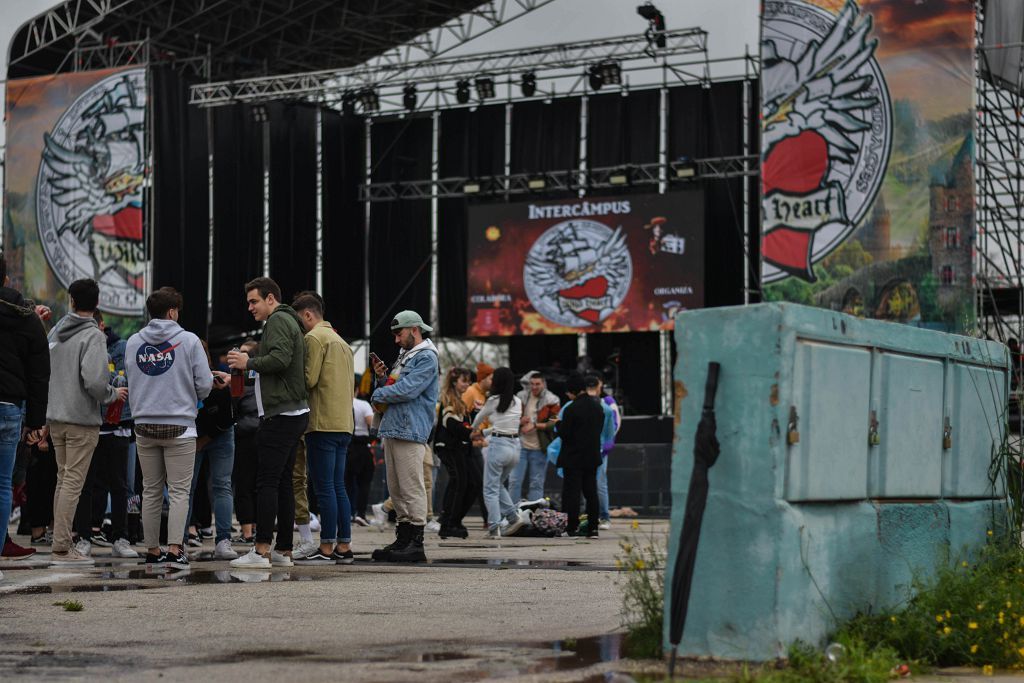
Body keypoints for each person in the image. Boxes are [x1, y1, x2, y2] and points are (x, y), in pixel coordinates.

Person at [125, 287, 213, 569]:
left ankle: (152, 550)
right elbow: (205, 383)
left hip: (144, 425)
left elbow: (132, 377)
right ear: (173, 312)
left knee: (149, 490)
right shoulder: (188, 341)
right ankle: (175, 549)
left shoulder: (133, 342)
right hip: (180, 426)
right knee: (178, 491)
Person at [228, 277, 309, 568]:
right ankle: (283, 550)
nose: (250, 307)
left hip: (282, 415)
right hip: (294, 412)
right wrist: (241, 372)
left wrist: (247, 362)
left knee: (267, 482)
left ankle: (261, 549)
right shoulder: (288, 321)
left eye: (254, 301)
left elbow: (280, 359)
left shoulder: (277, 321)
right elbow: (278, 365)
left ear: (271, 299)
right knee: (283, 482)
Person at [46, 278, 125, 566]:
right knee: (73, 483)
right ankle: (62, 546)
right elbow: (94, 381)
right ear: (97, 303)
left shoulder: (55, 331)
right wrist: (112, 393)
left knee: (62, 479)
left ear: (71, 300)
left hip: (55, 416)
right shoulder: (93, 336)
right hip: (81, 419)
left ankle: (60, 541)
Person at [369, 310, 439, 563]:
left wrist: (377, 395)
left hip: (410, 428)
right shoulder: (407, 356)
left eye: (399, 334)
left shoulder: (427, 357)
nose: (396, 340)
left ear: (414, 329)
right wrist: (381, 378)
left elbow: (408, 390)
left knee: (412, 487)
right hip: (395, 427)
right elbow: (396, 387)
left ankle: (416, 542)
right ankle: (404, 538)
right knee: (397, 488)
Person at [291, 293, 356, 566]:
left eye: (299, 320)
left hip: (322, 423)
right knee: (338, 486)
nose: (299, 327)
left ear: (308, 315)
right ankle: (344, 546)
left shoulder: (315, 339)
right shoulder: (342, 342)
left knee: (324, 488)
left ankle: (326, 546)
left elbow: (308, 378)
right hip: (344, 423)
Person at [72, 310, 138, 559]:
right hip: (88, 423)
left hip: (117, 423)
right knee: (85, 483)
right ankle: (84, 537)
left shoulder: (121, 347)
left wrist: (103, 378)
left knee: (120, 485)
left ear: (101, 325)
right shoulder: (79, 348)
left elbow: (121, 380)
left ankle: (121, 537)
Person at [0, 255, 51, 578]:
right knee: (3, 483)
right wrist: (35, 421)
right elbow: (38, 375)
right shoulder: (26, 317)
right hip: (9, 405)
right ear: (6, 279)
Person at [187, 341, 238, 560]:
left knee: (220, 485)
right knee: (187, 488)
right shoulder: (185, 380)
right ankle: (177, 540)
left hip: (219, 434)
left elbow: (227, 419)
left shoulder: (219, 381)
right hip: (195, 437)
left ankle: (224, 539)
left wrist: (202, 441)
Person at [471, 367, 529, 538]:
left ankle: (494, 527)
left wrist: (474, 430)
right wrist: (485, 432)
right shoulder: (518, 401)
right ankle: (513, 517)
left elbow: (478, 419)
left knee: (489, 489)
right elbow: (506, 424)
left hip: (498, 446)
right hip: (515, 447)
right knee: (498, 484)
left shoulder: (493, 400)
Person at [555, 374, 605, 538]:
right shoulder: (598, 407)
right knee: (591, 493)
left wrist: (557, 423)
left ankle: (572, 527)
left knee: (573, 493)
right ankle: (593, 528)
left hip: (573, 457)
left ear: (572, 392)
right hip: (591, 456)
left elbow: (565, 433)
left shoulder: (571, 409)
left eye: (568, 393)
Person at [434, 367, 474, 539]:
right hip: (447, 445)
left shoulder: (458, 399)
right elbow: (449, 422)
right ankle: (448, 522)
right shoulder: (449, 399)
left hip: (455, 446)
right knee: (458, 481)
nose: (468, 384)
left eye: (469, 381)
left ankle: (452, 520)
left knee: (465, 482)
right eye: (464, 381)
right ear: (454, 382)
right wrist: (470, 433)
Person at [509, 370, 560, 503]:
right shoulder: (520, 396)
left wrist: (535, 425)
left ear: (543, 384)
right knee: (514, 481)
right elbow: (509, 417)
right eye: (532, 384)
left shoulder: (552, 399)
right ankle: (511, 516)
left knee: (536, 484)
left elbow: (554, 424)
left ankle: (534, 515)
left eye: (537, 384)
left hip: (540, 448)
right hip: (520, 446)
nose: (534, 387)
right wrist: (519, 421)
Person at [232, 340, 260, 544]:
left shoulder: (241, 383)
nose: (238, 355)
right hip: (263, 435)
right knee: (260, 484)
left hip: (245, 437)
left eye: (243, 353)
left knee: (244, 485)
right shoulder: (262, 380)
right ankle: (256, 529)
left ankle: (248, 532)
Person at [589, 373, 620, 530]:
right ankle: (590, 514)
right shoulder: (581, 403)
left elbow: (615, 424)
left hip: (601, 449)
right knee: (588, 483)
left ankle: (604, 515)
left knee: (600, 483)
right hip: (587, 448)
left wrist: (606, 445)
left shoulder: (608, 403)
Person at [347, 384, 375, 526]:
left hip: (346, 446)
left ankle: (347, 513)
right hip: (362, 446)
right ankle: (361, 513)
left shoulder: (342, 404)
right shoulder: (363, 405)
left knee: (346, 483)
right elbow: (372, 423)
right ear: (356, 390)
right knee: (364, 482)